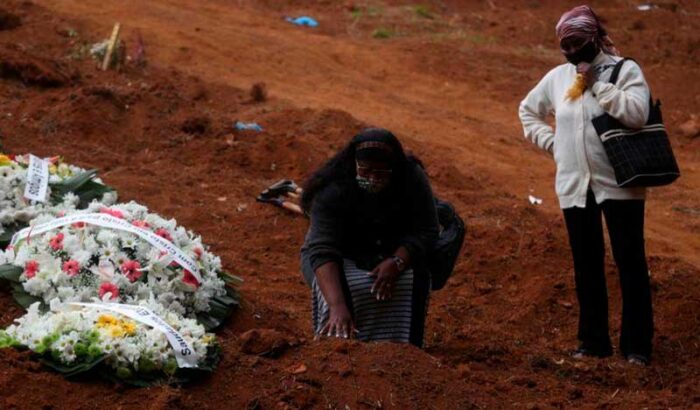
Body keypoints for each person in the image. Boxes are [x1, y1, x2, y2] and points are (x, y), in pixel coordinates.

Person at [519, 5, 654, 365]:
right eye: (566, 46)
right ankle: (593, 342)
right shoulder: (558, 78)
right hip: (574, 185)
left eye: (579, 43)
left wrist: (598, 85)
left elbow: (637, 114)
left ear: (595, 38)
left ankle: (637, 347)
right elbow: (528, 111)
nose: (573, 52)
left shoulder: (624, 70)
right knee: (586, 264)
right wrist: (554, 144)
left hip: (620, 183)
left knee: (630, 262)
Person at [299, 128, 439, 347]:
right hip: (337, 257)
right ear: (354, 165)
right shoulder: (333, 188)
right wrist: (337, 306)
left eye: (381, 173)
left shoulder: (410, 178)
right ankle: (339, 347)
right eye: (366, 171)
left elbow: (428, 230)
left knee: (413, 281)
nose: (373, 179)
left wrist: (398, 261)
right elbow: (322, 249)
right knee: (348, 289)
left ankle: (402, 350)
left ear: (394, 170)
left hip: (390, 252)